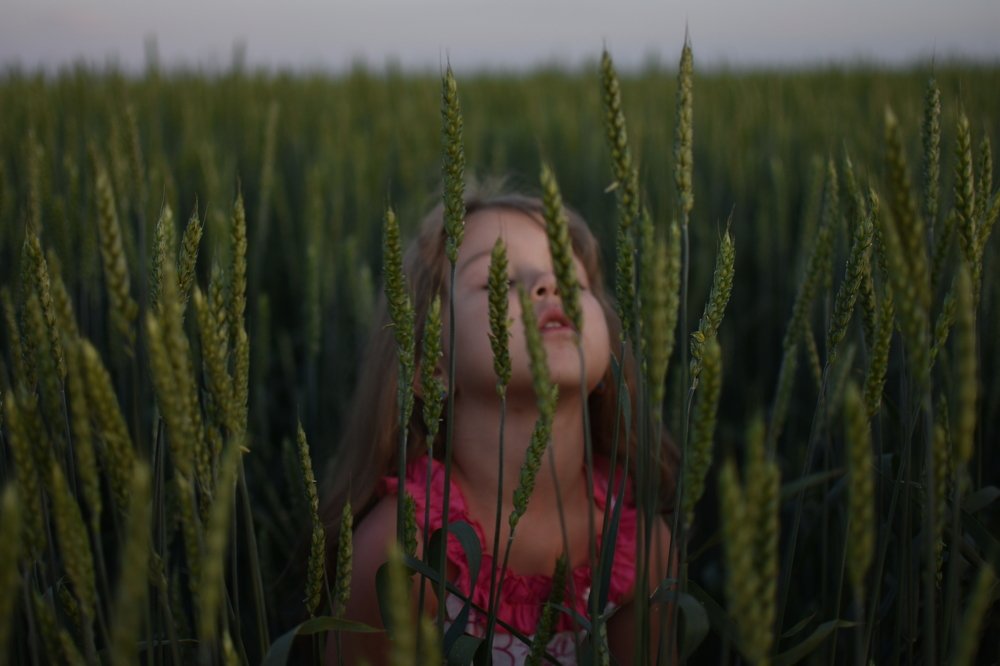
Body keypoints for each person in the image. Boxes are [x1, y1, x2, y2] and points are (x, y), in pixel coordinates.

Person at [321, 184, 676, 665]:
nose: (547, 286)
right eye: (497, 281)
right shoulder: (406, 552)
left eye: (571, 278)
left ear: (610, 351)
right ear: (431, 364)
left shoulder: (643, 548)